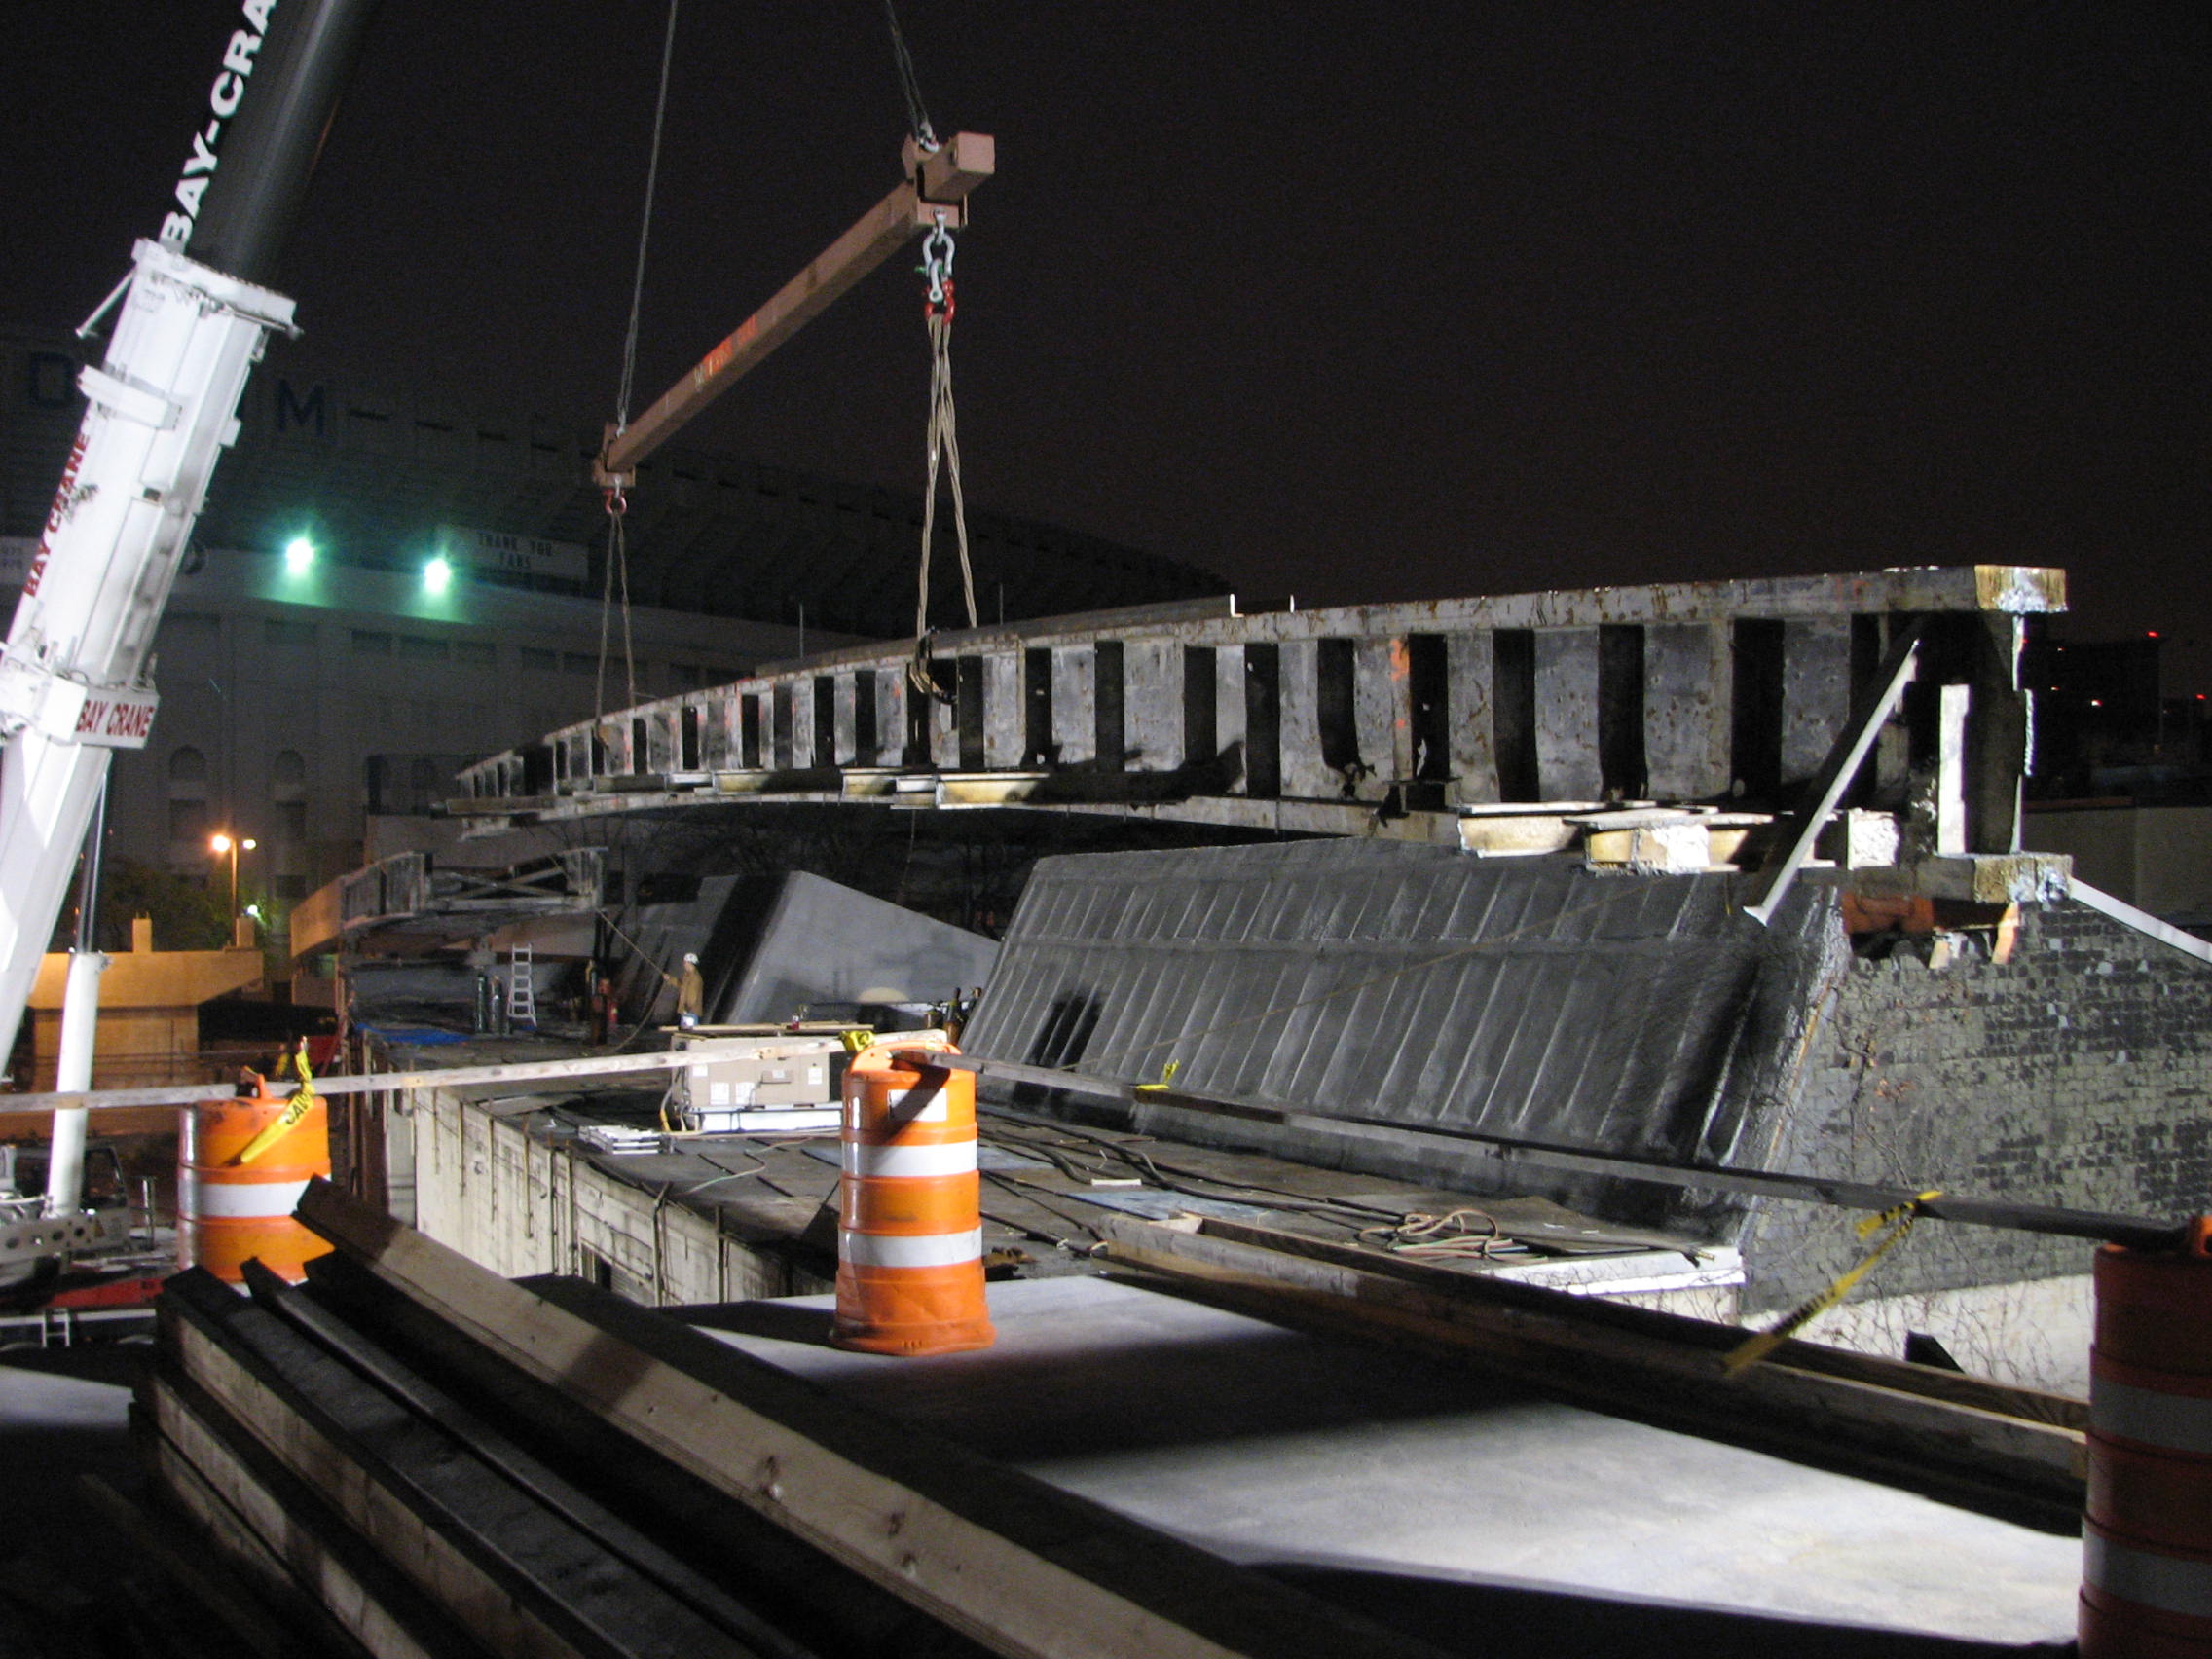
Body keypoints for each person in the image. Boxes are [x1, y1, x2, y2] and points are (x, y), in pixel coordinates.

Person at [666, 952, 705, 1029]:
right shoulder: (687, 975)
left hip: (690, 1011)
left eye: (685, 962)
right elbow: (682, 985)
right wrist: (670, 979)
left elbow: (693, 996)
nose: (684, 964)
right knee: (686, 1033)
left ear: (690, 963)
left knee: (690, 1033)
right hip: (687, 1011)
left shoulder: (695, 978)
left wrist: (687, 1009)